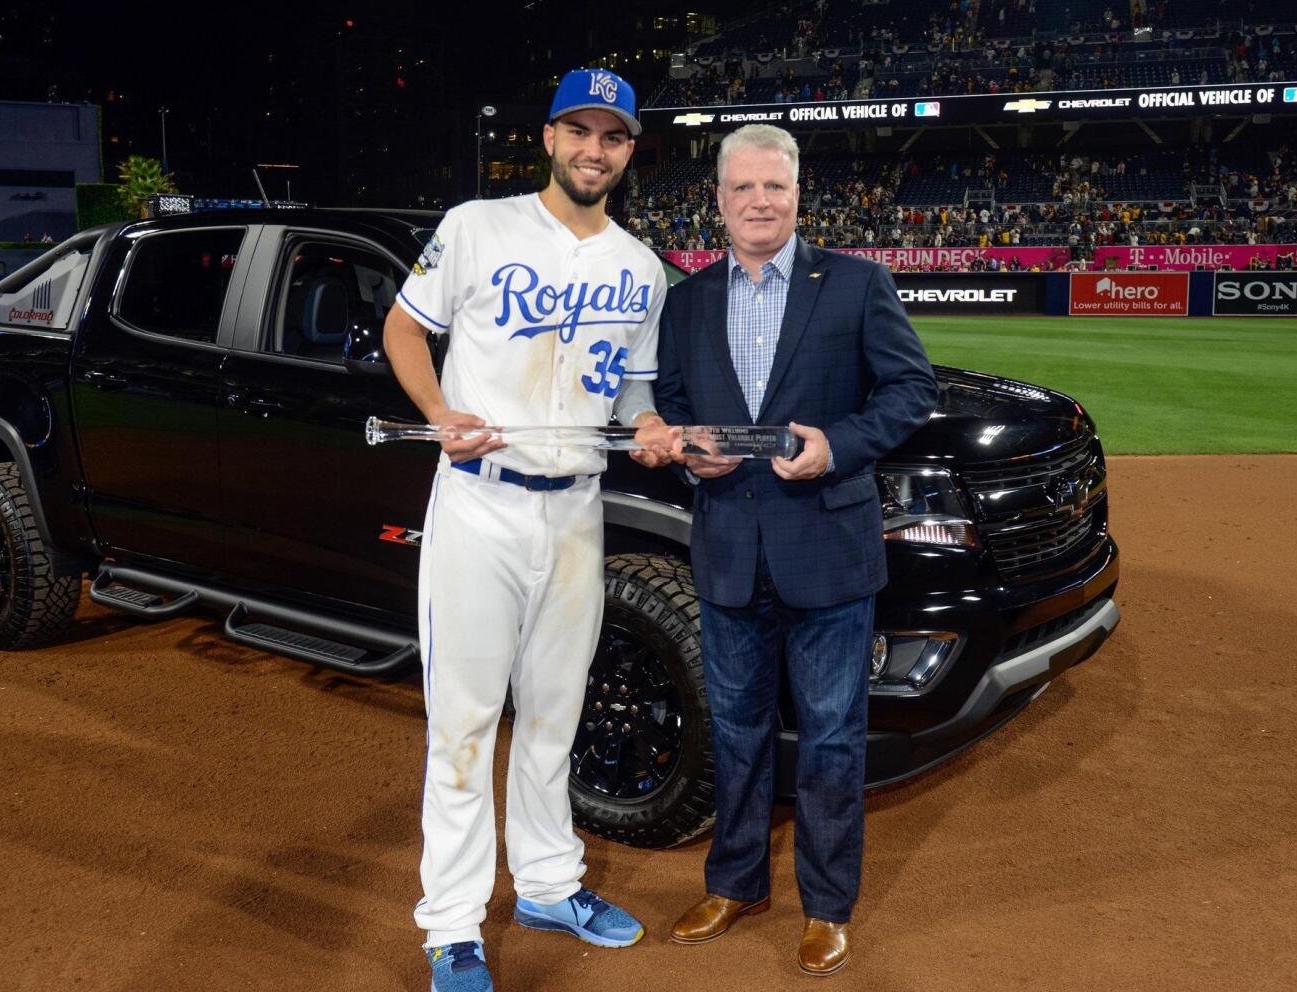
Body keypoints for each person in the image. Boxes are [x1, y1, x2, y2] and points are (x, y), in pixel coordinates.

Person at [381, 68, 677, 992]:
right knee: (464, 724)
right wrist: (437, 410)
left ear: (629, 151)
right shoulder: (477, 225)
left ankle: (549, 882)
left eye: (614, 136)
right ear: (549, 137)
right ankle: (454, 926)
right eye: (580, 131)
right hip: (479, 500)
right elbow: (402, 328)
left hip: (577, 510)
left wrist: (651, 428)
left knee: (556, 711)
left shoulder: (642, 268)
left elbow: (631, 394)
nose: (596, 149)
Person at [655, 124, 937, 977]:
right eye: (742, 189)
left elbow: (911, 388)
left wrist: (839, 444)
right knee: (736, 730)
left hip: (829, 551)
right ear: (719, 201)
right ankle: (735, 882)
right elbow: (670, 401)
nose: (759, 202)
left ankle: (826, 906)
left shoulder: (855, 283)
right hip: (729, 551)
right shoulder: (690, 300)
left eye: (773, 187)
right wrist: (688, 449)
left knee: (830, 739)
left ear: (797, 194)